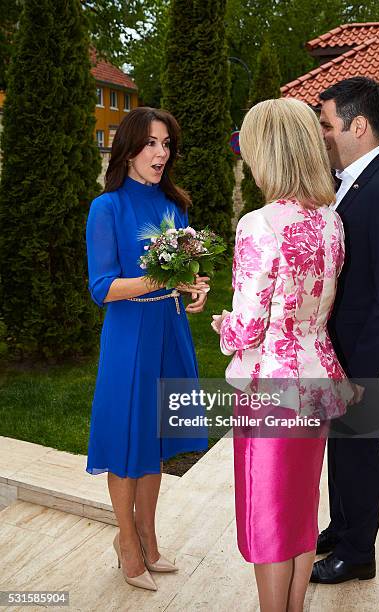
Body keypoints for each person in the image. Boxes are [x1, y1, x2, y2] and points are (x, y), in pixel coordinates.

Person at [212, 98, 353, 612]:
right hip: (317, 386)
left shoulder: (258, 224)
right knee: (299, 510)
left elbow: (246, 328)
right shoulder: (331, 221)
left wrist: (223, 325)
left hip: (271, 391)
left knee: (269, 516)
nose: (245, 158)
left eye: (248, 147)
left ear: (268, 152)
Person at [86, 107, 209, 591]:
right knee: (126, 442)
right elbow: (102, 287)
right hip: (129, 336)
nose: (162, 153)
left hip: (168, 329)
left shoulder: (174, 205)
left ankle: (149, 537)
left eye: (167, 144)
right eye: (152, 143)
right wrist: (161, 277)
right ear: (130, 148)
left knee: (155, 442)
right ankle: (127, 542)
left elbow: (177, 272)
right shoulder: (107, 207)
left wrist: (191, 287)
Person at [312, 77, 379, 584]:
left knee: (360, 450)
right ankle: (343, 527)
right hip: (341, 350)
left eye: (328, 124)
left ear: (359, 125)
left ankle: (359, 554)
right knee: (341, 446)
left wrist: (363, 376)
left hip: (370, 355)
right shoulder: (348, 181)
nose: (323, 133)